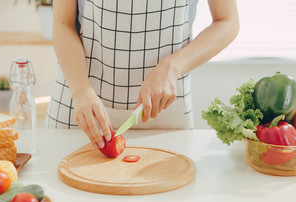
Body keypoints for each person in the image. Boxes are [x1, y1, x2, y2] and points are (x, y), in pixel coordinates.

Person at [45, 0, 239, 149]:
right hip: (81, 106)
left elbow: (227, 21)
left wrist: (172, 67)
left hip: (163, 113)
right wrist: (81, 91)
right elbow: (63, 22)